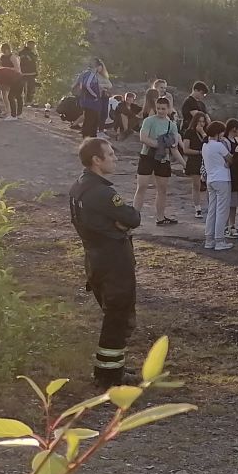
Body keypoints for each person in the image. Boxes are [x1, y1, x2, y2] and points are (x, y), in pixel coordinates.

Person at [68, 138, 142, 387]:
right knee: (118, 317)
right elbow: (132, 218)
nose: (115, 158)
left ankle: (112, 368)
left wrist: (115, 224)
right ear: (96, 160)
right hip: (114, 262)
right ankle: (109, 375)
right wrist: (119, 225)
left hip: (96, 259)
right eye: (110, 154)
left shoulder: (78, 187)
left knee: (114, 316)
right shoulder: (103, 193)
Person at [133, 96, 181, 226]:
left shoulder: (171, 124)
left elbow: (175, 144)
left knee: (162, 189)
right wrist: (160, 144)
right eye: (158, 108)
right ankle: (133, 217)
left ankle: (160, 217)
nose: (160, 111)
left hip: (162, 158)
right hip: (147, 156)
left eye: (163, 109)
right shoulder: (149, 121)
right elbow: (143, 138)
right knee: (142, 186)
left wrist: (183, 163)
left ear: (168, 109)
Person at [201, 121, 234, 251]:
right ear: (217, 133)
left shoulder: (205, 145)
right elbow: (231, 158)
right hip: (222, 178)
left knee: (212, 210)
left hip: (211, 179)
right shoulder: (219, 146)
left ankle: (209, 239)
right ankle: (219, 240)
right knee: (222, 210)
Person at [72, 58, 111, 139]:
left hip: (85, 100)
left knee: (90, 119)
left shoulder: (84, 73)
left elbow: (80, 84)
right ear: (97, 66)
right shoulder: (91, 74)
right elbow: (88, 85)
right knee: (91, 120)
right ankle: (88, 138)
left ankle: (90, 137)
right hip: (91, 101)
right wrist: (95, 95)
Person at [180, 111, 208, 220]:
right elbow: (185, 149)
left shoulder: (206, 132)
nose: (201, 124)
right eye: (199, 121)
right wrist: (199, 152)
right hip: (195, 160)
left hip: (206, 161)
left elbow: (210, 143)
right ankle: (198, 208)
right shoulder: (189, 132)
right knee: (197, 185)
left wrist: (202, 133)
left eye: (203, 122)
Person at [18, 40, 39, 106]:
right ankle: (24, 101)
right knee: (25, 87)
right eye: (31, 45)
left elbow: (35, 61)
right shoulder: (23, 53)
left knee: (30, 88)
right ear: (28, 44)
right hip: (25, 73)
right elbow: (21, 61)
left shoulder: (31, 53)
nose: (33, 46)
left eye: (33, 45)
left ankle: (28, 101)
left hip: (31, 73)